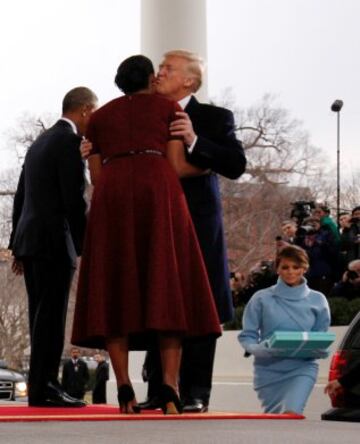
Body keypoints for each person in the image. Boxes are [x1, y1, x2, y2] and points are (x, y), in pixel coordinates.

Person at [71, 55, 222, 415]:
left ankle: (124, 388)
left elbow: (95, 177)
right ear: (150, 78)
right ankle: (170, 389)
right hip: (158, 191)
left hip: (113, 197)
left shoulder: (99, 117)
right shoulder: (168, 108)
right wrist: (209, 165)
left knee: (115, 289)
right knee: (168, 285)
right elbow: (175, 164)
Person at [138, 49, 246, 414]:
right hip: (153, 222)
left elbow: (236, 164)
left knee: (201, 305)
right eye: (158, 67)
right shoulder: (144, 113)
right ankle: (159, 390)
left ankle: (196, 391)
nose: (158, 73)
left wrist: (195, 140)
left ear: (189, 80)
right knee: (156, 299)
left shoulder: (215, 118)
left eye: (166, 69)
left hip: (198, 225)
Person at [8, 87, 98, 407]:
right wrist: (85, 247)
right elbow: (73, 200)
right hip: (54, 242)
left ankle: (40, 387)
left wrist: (16, 246)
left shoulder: (39, 143)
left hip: (31, 242)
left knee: (39, 316)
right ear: (86, 109)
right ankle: (46, 386)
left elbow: (22, 196)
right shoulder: (69, 143)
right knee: (52, 317)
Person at [238, 245, 331, 414]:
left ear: (305, 268)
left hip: (302, 368)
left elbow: (320, 336)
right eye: (285, 267)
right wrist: (260, 349)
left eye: (296, 267)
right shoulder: (261, 298)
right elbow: (248, 336)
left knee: (292, 412)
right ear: (277, 270)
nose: (290, 272)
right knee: (275, 420)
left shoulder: (318, 300)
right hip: (268, 370)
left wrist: (318, 350)